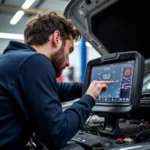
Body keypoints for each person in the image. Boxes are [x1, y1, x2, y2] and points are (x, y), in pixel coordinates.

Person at [0, 12, 113, 150]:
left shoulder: (16, 60)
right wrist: (89, 98)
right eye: (69, 50)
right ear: (56, 38)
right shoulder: (35, 62)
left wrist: (86, 87)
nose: (68, 62)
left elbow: (54, 88)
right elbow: (57, 134)